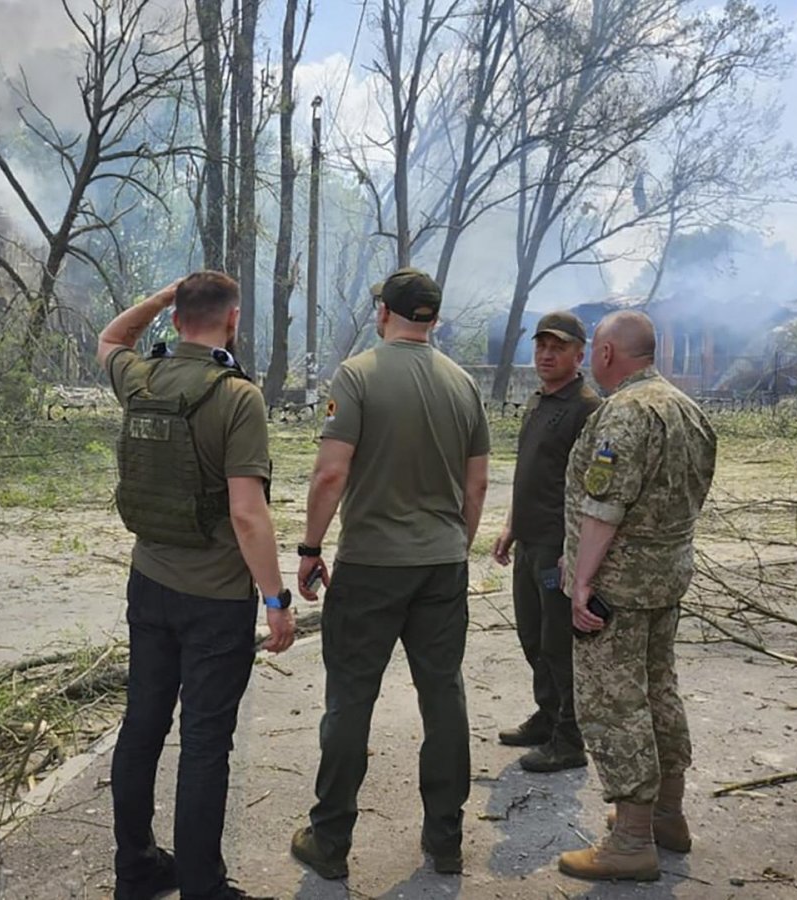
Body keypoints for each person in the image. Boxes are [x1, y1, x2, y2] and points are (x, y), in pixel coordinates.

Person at [97, 272, 296, 900]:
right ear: (232, 320)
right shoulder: (238, 397)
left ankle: (136, 870)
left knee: (142, 726)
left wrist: (158, 298)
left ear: (177, 318)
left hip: (148, 584)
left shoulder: (142, 377)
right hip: (214, 602)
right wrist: (275, 600)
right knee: (205, 743)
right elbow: (247, 513)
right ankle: (202, 887)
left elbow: (109, 336)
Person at [288, 268, 491, 880]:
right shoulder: (463, 384)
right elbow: (477, 483)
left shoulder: (358, 375)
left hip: (372, 565)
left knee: (350, 700)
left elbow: (330, 474)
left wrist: (310, 545)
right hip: (441, 565)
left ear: (386, 313)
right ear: (429, 318)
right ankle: (446, 840)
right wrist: (457, 542)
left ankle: (330, 843)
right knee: (443, 695)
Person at [556, 310, 717, 882]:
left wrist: (580, 582)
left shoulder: (624, 414)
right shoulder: (687, 409)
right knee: (657, 690)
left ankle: (629, 840)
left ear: (603, 354)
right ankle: (668, 816)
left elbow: (604, 509)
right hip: (666, 579)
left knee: (615, 703)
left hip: (615, 589)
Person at [492, 311, 602, 773]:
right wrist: (510, 526)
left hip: (559, 547)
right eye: (541, 346)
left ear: (581, 354)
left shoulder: (587, 408)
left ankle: (570, 739)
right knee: (533, 637)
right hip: (530, 541)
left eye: (557, 347)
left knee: (559, 644)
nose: (546, 354)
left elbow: (590, 489)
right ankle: (547, 715)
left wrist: (574, 553)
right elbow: (530, 474)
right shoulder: (539, 402)